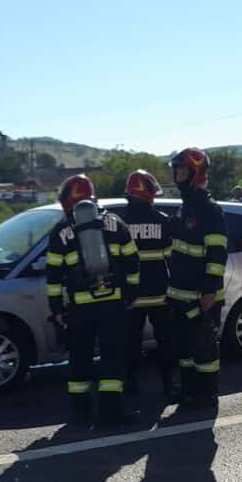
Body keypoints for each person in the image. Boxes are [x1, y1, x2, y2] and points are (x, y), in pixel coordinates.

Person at [46, 175, 140, 425]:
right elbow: (133, 261)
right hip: (113, 303)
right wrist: (130, 294)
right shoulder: (115, 222)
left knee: (80, 358)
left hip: (80, 308)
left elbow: (53, 276)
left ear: (67, 201)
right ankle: (111, 412)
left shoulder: (60, 231)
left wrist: (56, 308)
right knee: (112, 357)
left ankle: (80, 411)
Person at [167, 148, 227, 409]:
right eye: (176, 169)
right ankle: (189, 391)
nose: (177, 174)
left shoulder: (209, 209)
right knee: (185, 350)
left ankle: (207, 394)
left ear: (196, 173)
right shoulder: (186, 206)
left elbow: (217, 253)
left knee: (205, 348)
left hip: (202, 295)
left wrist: (210, 291)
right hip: (181, 293)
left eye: (182, 170)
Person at [121, 169, 175, 396]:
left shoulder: (119, 223)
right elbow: (171, 256)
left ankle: (130, 388)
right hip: (159, 295)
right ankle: (169, 386)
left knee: (130, 346)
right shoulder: (161, 221)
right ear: (148, 193)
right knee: (166, 344)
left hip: (130, 297)